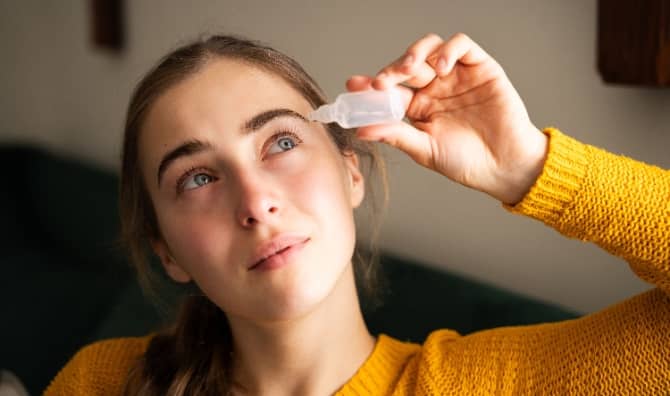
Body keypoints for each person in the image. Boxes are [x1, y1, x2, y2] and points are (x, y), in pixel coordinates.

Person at [44, 33, 669, 395]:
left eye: (281, 143)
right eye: (199, 177)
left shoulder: (481, 386)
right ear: (167, 252)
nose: (256, 202)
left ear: (351, 171)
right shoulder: (101, 384)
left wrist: (528, 165)